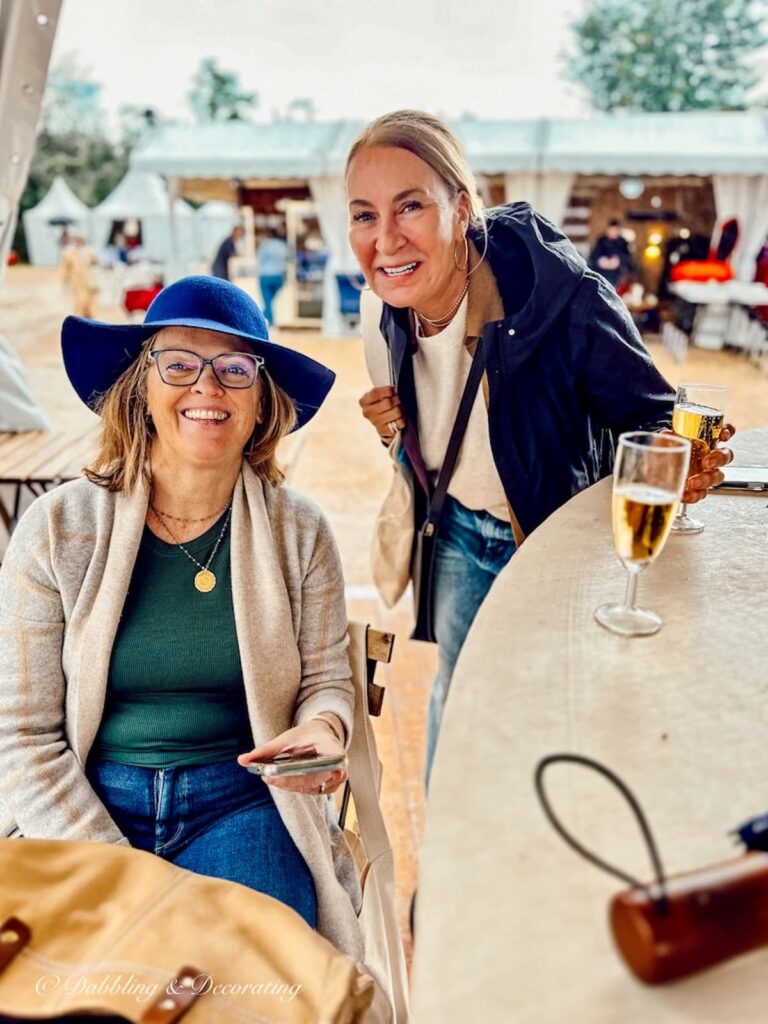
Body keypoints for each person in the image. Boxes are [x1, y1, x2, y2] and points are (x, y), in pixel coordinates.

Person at [346, 110, 734, 781]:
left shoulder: (565, 300)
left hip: (556, 537)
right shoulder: (381, 311)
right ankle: (448, 857)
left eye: (410, 205)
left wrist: (688, 455)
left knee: (568, 700)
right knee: (459, 689)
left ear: (462, 207)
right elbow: (438, 429)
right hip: (461, 535)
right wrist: (395, 431)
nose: (384, 239)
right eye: (363, 214)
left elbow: (654, 417)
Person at [0, 275, 365, 959]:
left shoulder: (301, 532)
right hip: (85, 802)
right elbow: (20, 738)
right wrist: (125, 875)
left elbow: (326, 680)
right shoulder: (57, 529)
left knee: (263, 988)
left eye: (234, 368)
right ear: (142, 389)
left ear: (263, 404)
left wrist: (323, 726)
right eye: (178, 364)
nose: (206, 387)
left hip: (243, 806)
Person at [588, 218, 635, 290]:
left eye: (614, 230)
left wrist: (618, 261)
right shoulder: (601, 241)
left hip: (617, 275)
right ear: (607, 229)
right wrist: (600, 261)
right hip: (602, 273)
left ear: (618, 230)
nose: (612, 232)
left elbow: (628, 260)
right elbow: (593, 257)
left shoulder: (622, 243)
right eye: (611, 230)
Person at [257, 227, 290, 326]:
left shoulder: (265, 245)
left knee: (267, 301)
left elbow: (260, 260)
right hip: (278, 277)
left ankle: (267, 322)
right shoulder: (282, 246)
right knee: (270, 301)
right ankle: (266, 319)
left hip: (266, 276)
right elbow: (288, 260)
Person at [60, 233, 98, 317]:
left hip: (88, 280)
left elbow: (94, 263)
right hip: (76, 281)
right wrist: (65, 281)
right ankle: (79, 318)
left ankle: (88, 318)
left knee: (89, 301)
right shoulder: (69, 252)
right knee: (79, 301)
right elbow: (65, 268)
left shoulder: (88, 251)